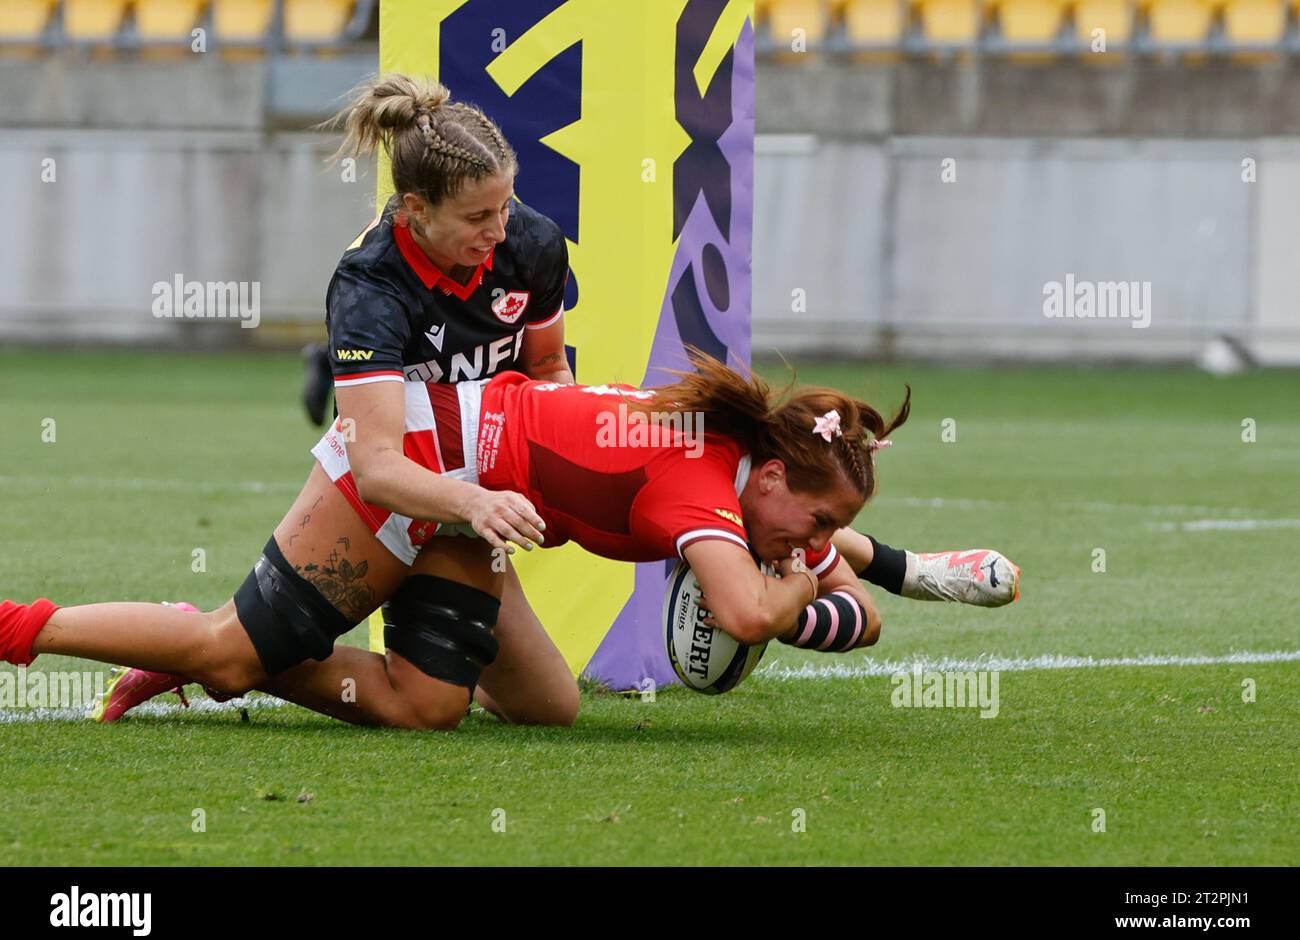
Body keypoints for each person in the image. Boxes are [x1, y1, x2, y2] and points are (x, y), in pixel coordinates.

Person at [1, 352, 1016, 731]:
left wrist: (906, 572)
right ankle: (33, 628)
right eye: (820, 516)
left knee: (517, 704)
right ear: (770, 474)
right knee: (228, 647)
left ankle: (250, 659)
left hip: (476, 509)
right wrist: (802, 582)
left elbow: (840, 586)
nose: (824, 534)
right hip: (418, 469)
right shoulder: (698, 487)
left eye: (835, 524)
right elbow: (752, 610)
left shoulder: (740, 474)